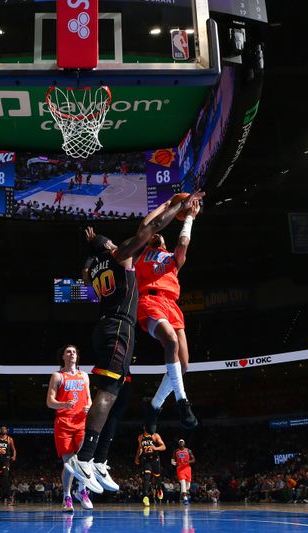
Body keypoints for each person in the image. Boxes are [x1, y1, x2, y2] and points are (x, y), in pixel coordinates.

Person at [65, 191, 205, 494]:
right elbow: (149, 230)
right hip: (120, 326)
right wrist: (177, 206)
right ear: (112, 248)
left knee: (122, 396)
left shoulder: (97, 267)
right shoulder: (124, 256)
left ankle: (100, 460)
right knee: (110, 390)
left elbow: (87, 269)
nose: (120, 243)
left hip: (114, 326)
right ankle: (85, 457)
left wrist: (93, 245)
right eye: (114, 243)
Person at [138, 200, 202, 433]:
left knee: (183, 365)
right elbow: (146, 225)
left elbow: (183, 243)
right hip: (150, 301)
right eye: (156, 235)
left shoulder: (173, 259)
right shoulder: (141, 253)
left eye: (162, 237)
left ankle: (154, 407)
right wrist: (167, 205)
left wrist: (189, 217)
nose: (159, 237)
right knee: (171, 341)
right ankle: (182, 402)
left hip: (171, 306)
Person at [47, 344, 92, 512]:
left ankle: (81, 490)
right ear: (63, 357)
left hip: (82, 422)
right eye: (68, 351)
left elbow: (89, 399)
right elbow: (49, 402)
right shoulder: (57, 376)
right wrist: (64, 403)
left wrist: (88, 407)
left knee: (84, 460)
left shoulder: (84, 376)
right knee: (69, 464)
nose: (72, 354)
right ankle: (67, 496)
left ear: (77, 356)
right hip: (64, 423)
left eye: (74, 351)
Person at [135, 428, 166, 507]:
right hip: (146, 460)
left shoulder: (155, 435)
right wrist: (137, 457)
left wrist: (156, 448)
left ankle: (159, 488)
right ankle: (145, 496)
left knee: (157, 477)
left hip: (155, 459)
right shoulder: (140, 437)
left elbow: (163, 446)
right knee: (146, 477)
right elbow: (140, 448)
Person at [0, 426, 17, 504]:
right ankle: (2, 496)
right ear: (0, 430)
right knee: (1, 479)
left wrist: (14, 455)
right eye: (2, 429)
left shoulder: (9, 439)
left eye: (4, 429)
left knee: (5, 476)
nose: (3, 430)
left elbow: (14, 449)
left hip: (6, 460)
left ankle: (9, 497)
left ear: (7, 430)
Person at [172, 439, 195, 505]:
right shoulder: (175, 451)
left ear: (184, 444)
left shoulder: (188, 450)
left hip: (187, 468)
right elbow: (172, 460)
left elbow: (193, 459)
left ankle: (184, 493)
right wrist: (175, 463)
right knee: (183, 483)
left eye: (182, 442)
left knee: (188, 485)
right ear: (178, 444)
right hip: (180, 469)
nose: (181, 443)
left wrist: (188, 461)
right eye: (180, 442)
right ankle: (185, 499)